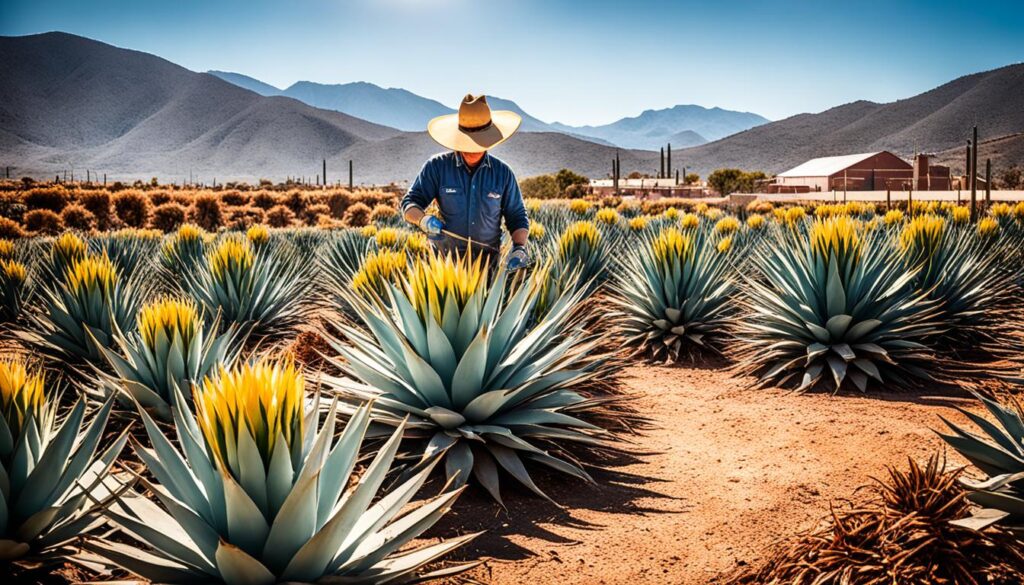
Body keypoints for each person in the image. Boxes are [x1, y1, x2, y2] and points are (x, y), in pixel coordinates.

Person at [401, 94, 530, 270]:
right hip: (445, 268)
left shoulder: (503, 173)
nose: (473, 148)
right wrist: (423, 220)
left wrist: (519, 248)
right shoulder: (437, 167)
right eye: (469, 142)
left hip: (488, 268)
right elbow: (410, 204)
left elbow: (517, 217)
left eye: (478, 142)